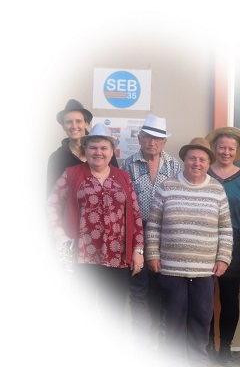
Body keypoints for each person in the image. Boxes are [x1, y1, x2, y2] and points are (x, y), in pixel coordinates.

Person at [46, 123, 144, 335]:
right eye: (93, 147)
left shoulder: (123, 177)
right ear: (85, 150)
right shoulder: (72, 174)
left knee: (114, 312)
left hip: (117, 258)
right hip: (82, 257)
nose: (98, 152)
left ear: (112, 151)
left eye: (104, 148)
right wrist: (61, 237)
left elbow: (135, 214)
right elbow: (51, 204)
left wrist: (138, 250)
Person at [145, 137, 233, 367]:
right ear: (184, 160)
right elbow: (153, 224)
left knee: (201, 316)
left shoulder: (217, 190)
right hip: (171, 267)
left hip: (204, 268)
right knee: (173, 317)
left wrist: (223, 258)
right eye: (192, 158)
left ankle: (197, 363)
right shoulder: (167, 186)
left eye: (202, 159)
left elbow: (225, 227)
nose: (197, 163)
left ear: (208, 163)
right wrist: (152, 254)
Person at [121, 114, 181, 344]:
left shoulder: (174, 165)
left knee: (166, 287)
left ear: (164, 142)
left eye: (157, 138)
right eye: (147, 137)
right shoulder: (127, 164)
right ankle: (142, 343)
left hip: (167, 234)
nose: (152, 142)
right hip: (137, 232)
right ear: (139, 138)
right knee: (139, 287)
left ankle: (164, 343)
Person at [205, 127, 240, 365]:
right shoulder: (204, 173)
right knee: (204, 296)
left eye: (231, 148)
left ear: (237, 151)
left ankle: (225, 347)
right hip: (204, 240)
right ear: (215, 149)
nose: (226, 152)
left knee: (229, 297)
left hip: (235, 242)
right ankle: (206, 345)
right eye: (222, 147)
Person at [47, 98, 119, 196]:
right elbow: (51, 195)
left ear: (86, 124)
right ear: (63, 126)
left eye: (78, 121)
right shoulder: (56, 158)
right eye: (69, 122)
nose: (74, 126)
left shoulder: (104, 151)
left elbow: (117, 183)